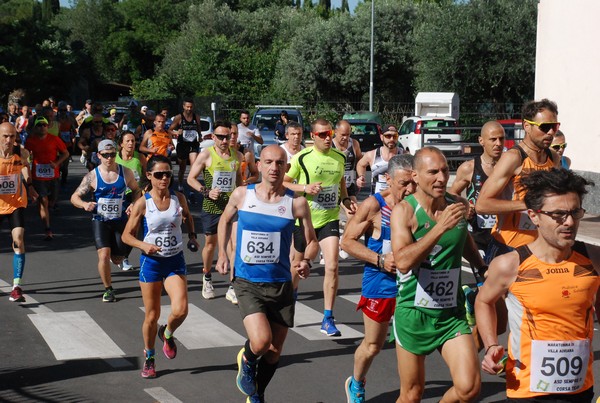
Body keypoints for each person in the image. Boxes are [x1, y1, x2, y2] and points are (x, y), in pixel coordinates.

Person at [476, 168, 599, 402]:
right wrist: (491, 345)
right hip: (528, 389)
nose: (570, 222)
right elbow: (483, 301)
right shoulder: (510, 265)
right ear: (534, 216)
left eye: (575, 212)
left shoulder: (593, 259)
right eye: (558, 215)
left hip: (580, 386)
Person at [216, 145, 318, 403]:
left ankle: (257, 394)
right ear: (259, 165)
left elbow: (312, 241)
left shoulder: (296, 203)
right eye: (269, 162)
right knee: (261, 342)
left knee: (274, 351)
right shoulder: (242, 195)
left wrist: (306, 260)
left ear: (286, 167)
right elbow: (224, 220)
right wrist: (222, 254)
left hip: (281, 283)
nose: (274, 168)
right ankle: (247, 358)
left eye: (280, 163)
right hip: (247, 281)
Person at [390, 147, 486, 403]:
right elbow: (402, 262)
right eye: (433, 172)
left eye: (444, 170)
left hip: (450, 313)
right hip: (413, 311)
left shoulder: (458, 205)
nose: (441, 178)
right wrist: (439, 228)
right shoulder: (404, 212)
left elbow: (463, 239)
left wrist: (482, 268)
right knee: (412, 394)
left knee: (469, 388)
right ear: (415, 176)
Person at [340, 154, 415, 402]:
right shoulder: (374, 205)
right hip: (380, 282)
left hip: (412, 284)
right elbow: (347, 242)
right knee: (373, 345)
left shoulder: (420, 205)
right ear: (388, 179)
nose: (410, 189)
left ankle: (411, 392)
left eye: (413, 182)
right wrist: (379, 260)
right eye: (404, 183)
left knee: (416, 344)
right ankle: (357, 383)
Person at [122, 154, 198, 379]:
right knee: (151, 315)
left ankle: (168, 333)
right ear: (149, 176)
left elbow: (188, 217)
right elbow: (127, 236)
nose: (164, 178)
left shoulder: (179, 198)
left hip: (175, 260)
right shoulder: (143, 203)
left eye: (168, 174)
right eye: (159, 175)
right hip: (152, 263)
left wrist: (192, 236)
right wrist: (143, 245)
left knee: (181, 310)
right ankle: (149, 357)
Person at [284, 118, 357, 337]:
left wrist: (345, 201)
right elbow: (285, 183)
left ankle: (328, 318)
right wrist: (305, 187)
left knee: (332, 266)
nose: (327, 138)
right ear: (313, 136)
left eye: (329, 134)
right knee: (296, 267)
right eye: (322, 135)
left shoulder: (339, 157)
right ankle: (292, 295)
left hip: (329, 218)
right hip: (304, 221)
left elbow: (341, 183)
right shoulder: (302, 158)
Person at [476, 99, 561, 262]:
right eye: (544, 127)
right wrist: (529, 205)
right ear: (526, 126)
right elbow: (482, 205)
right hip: (508, 246)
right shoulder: (513, 158)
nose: (550, 132)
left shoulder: (553, 157)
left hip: (540, 248)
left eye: (555, 127)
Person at [448, 121, 507, 347]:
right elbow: (452, 195)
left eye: (501, 139)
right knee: (493, 294)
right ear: (481, 141)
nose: (498, 143)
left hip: (503, 237)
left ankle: (473, 301)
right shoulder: (469, 168)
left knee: (500, 310)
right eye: (493, 139)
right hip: (478, 238)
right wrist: (465, 205)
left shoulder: (509, 166)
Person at [70, 140, 140, 302]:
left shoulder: (126, 173)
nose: (109, 158)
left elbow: (137, 190)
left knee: (118, 258)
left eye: (112, 155)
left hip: (121, 220)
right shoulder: (92, 176)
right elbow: (74, 197)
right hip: (100, 220)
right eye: (106, 155)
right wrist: (84, 204)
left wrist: (134, 204)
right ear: (99, 155)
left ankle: (117, 256)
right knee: (103, 255)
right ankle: (108, 289)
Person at [187, 120, 243, 299]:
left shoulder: (237, 156)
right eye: (220, 137)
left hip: (231, 208)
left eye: (227, 136)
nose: (224, 140)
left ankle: (233, 285)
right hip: (212, 206)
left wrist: (242, 198)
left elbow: (239, 180)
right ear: (213, 137)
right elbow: (191, 179)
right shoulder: (206, 155)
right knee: (211, 244)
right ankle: (207, 277)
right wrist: (206, 191)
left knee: (234, 245)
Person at [0, 123, 38, 302]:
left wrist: (29, 185)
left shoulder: (21, 152)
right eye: (5, 136)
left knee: (19, 240)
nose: (9, 140)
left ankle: (16, 286)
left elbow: (24, 166)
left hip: (15, 203)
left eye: (12, 136)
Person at [25, 116, 70, 240]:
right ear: (35, 127)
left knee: (52, 200)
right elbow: (25, 155)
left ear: (48, 126)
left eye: (44, 125)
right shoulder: (30, 140)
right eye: (39, 125)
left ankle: (48, 208)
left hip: (53, 175)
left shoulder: (54, 139)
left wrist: (56, 163)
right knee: (43, 201)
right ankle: (48, 228)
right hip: (38, 176)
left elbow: (66, 153)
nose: (42, 127)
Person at [116, 130, 147, 271]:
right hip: (118, 196)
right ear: (121, 144)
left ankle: (125, 257)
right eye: (127, 141)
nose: (130, 143)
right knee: (120, 228)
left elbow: (147, 177)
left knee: (133, 229)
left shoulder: (140, 158)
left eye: (133, 141)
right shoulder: (115, 158)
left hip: (136, 195)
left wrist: (145, 191)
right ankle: (117, 252)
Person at [356, 125, 404, 195]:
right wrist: (361, 177)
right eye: (388, 136)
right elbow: (360, 164)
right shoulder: (372, 155)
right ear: (382, 137)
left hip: (397, 200)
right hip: (377, 200)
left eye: (395, 136)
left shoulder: (404, 155)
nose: (391, 139)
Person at [332, 120, 363, 222]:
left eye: (348, 134)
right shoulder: (330, 146)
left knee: (355, 214)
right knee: (345, 215)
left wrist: (360, 176)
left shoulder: (354, 144)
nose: (345, 138)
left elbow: (360, 160)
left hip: (349, 185)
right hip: (334, 186)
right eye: (343, 135)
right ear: (335, 132)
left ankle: (346, 237)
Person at [168, 99, 202, 191]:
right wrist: (176, 132)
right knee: (182, 168)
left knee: (193, 165)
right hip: (182, 144)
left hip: (193, 144)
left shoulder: (196, 117)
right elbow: (170, 130)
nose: (189, 109)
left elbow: (198, 127)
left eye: (191, 107)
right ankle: (180, 184)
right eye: (187, 107)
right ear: (183, 107)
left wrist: (200, 135)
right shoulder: (179, 117)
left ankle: (192, 188)